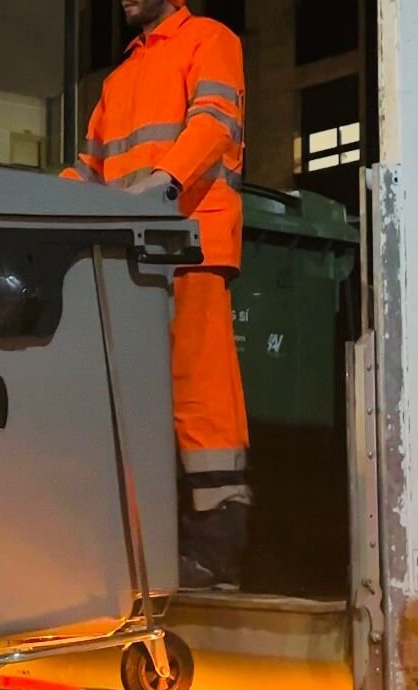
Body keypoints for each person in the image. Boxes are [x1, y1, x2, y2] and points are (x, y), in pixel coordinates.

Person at [62, 0, 249, 589]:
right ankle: (148, 548)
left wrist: (163, 186)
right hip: (131, 257)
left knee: (201, 396)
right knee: (136, 401)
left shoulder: (210, 39)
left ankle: (218, 548)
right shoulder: (119, 78)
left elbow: (215, 121)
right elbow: (89, 168)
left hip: (191, 240)